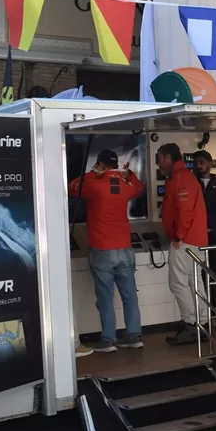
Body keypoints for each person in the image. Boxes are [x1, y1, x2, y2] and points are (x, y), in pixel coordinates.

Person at [67, 149, 145, 354]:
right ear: (116, 165)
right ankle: (134, 336)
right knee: (130, 296)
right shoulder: (126, 185)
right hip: (125, 249)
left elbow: (72, 188)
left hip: (102, 249)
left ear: (100, 164)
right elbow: (139, 187)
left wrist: (92, 173)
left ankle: (108, 340)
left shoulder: (93, 184)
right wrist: (129, 175)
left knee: (105, 298)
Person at [157, 143, 209, 345]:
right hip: (195, 239)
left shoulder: (181, 178)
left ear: (168, 157)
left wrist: (178, 236)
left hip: (185, 241)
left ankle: (190, 324)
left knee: (178, 283)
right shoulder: (182, 177)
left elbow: (185, 211)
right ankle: (202, 323)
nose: (159, 164)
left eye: (160, 159)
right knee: (195, 282)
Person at [193, 150, 216, 327]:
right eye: (196, 163)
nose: (198, 166)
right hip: (199, 235)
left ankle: (212, 312)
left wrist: (204, 195)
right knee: (200, 275)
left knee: (215, 275)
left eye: (201, 162)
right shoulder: (192, 183)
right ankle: (201, 314)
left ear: (209, 163)